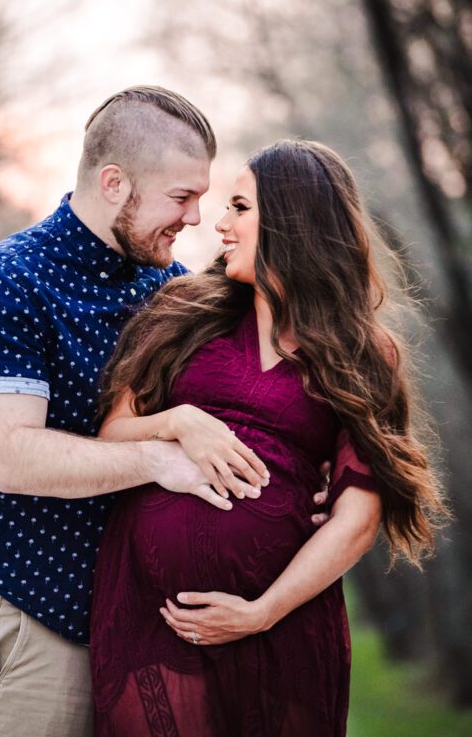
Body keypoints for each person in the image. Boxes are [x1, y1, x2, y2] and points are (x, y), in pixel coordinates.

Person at [0, 86, 274, 737]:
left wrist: (299, 485)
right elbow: (13, 459)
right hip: (37, 621)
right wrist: (157, 458)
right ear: (114, 183)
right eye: (180, 197)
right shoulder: (4, 284)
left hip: (150, 627)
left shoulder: (167, 289)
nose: (194, 218)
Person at [90, 139, 446, 737]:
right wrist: (176, 422)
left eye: (239, 208)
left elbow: (358, 518)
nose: (219, 225)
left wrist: (260, 613)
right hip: (156, 623)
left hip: (284, 627)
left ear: (291, 220)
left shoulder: (363, 352)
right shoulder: (180, 316)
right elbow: (112, 435)